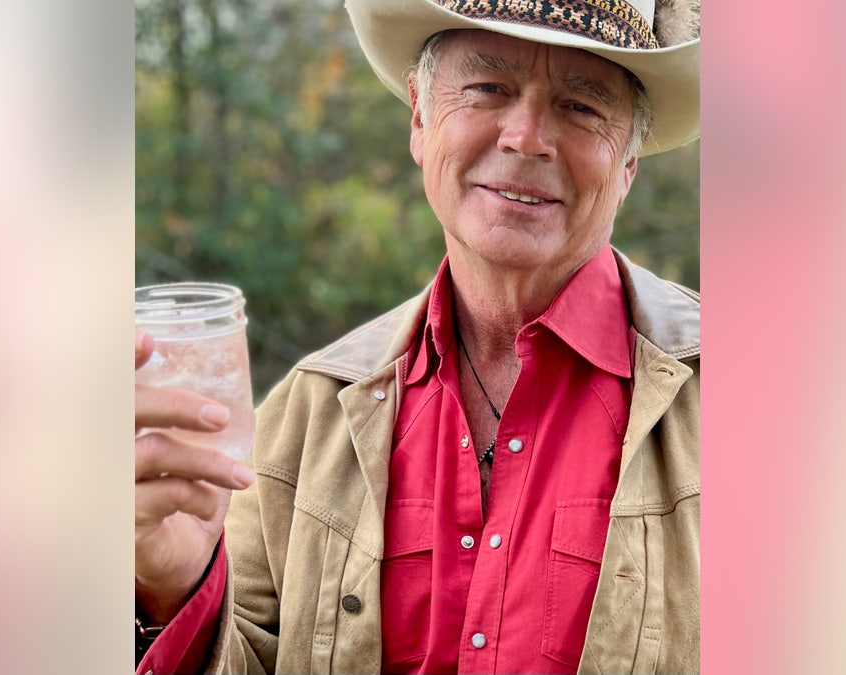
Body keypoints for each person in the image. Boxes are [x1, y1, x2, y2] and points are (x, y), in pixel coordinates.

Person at [135, 0, 699, 672]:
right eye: (488, 88)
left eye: (581, 106)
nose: (526, 137)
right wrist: (175, 586)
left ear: (628, 163)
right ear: (418, 119)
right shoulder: (305, 418)